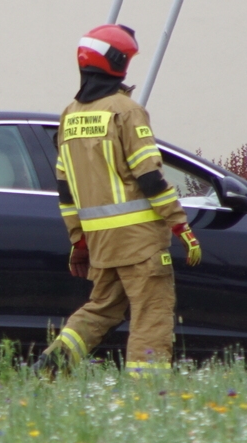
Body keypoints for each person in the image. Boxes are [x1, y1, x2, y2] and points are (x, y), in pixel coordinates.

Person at [36, 24, 202, 376]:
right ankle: (149, 396)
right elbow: (149, 176)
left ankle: (51, 365)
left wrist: (78, 240)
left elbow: (65, 189)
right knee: (151, 314)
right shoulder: (126, 110)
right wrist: (179, 223)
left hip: (101, 244)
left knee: (101, 307)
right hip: (140, 241)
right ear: (119, 63)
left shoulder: (70, 115)